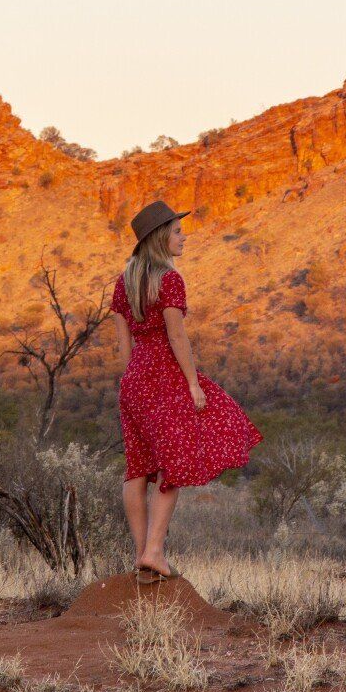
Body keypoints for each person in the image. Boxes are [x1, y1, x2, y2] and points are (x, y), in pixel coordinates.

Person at [111, 198, 263, 583]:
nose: (184, 237)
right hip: (164, 376)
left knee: (137, 470)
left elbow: (124, 347)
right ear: (161, 237)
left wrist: (133, 383)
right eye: (177, 231)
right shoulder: (169, 280)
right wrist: (193, 382)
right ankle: (155, 552)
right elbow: (177, 335)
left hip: (133, 381)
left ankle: (141, 554)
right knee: (175, 464)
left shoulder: (124, 283)